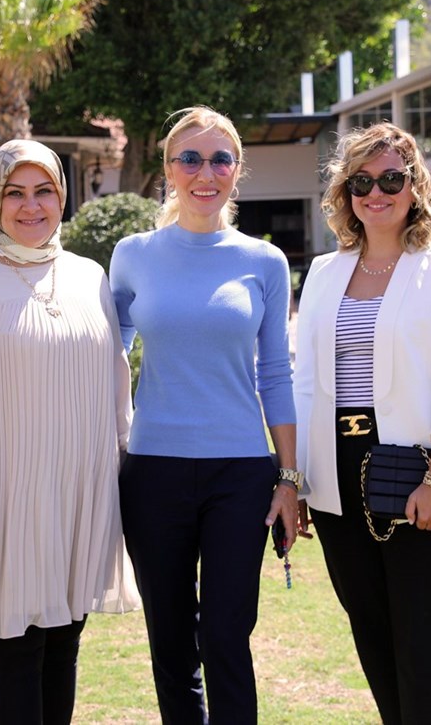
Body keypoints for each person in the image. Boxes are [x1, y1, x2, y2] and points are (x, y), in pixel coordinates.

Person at [0, 139, 139, 725]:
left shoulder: (89, 277)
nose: (31, 206)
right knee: (19, 648)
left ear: (61, 197)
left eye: (43, 191)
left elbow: (115, 379)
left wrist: (126, 471)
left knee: (66, 641)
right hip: (10, 501)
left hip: (82, 494)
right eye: (15, 193)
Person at [110, 106, 299, 724]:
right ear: (168, 169)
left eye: (220, 159)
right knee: (170, 642)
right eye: (189, 158)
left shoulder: (265, 261)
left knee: (225, 635)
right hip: (153, 471)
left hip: (240, 474)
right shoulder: (132, 255)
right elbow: (106, 355)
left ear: (237, 170)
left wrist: (288, 478)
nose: (205, 172)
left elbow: (276, 373)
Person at [292, 121, 431, 722]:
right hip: (337, 478)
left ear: (416, 187)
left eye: (392, 179)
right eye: (361, 181)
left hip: (418, 470)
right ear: (345, 192)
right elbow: (304, 383)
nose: (376, 192)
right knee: (373, 641)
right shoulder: (323, 272)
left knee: (424, 651)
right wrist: (298, 480)